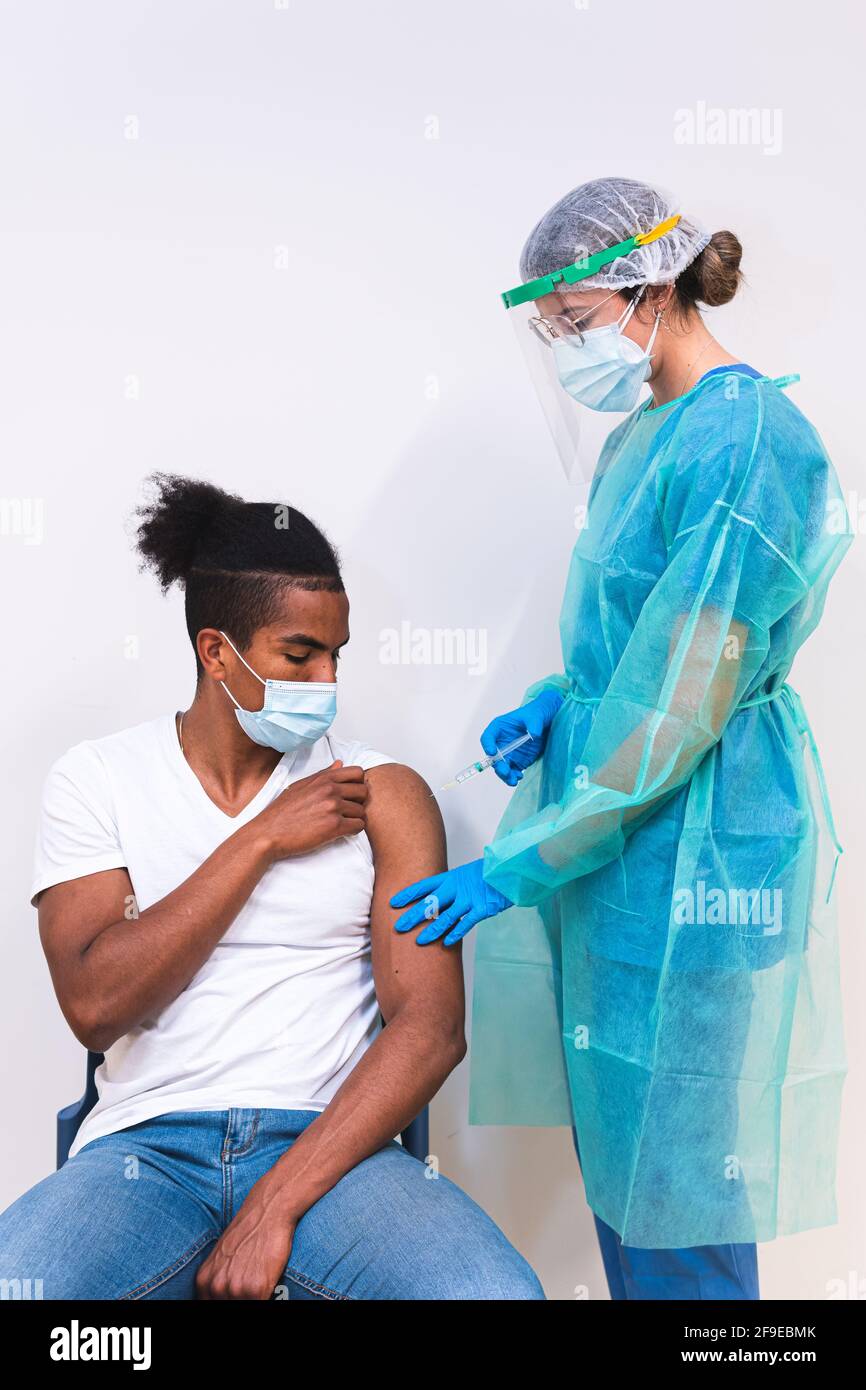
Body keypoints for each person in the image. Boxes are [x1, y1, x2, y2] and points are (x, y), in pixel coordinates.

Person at [391, 177, 853, 1301]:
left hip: (695, 854)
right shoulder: (644, 433)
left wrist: (517, 858)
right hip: (628, 853)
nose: (564, 353)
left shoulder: (746, 440)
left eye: (576, 322)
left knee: (681, 1182)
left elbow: (684, 713)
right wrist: (561, 693)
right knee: (626, 1158)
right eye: (550, 334)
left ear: (648, 288)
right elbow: (647, 635)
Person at [0, 474, 545, 1302]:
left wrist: (273, 1206)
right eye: (300, 655)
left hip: (338, 1153)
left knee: (495, 1297)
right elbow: (95, 1004)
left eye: (337, 655)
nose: (326, 683)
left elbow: (431, 1028)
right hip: (144, 1152)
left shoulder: (385, 793)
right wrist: (261, 839)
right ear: (215, 651)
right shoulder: (97, 779)